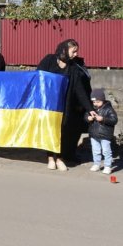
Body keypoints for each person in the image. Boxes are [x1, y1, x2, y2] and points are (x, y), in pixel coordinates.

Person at [37, 39, 94, 171]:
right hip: (48, 107)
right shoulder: (49, 60)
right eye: (73, 51)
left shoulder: (73, 67)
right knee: (50, 131)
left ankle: (60, 158)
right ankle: (50, 157)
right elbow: (37, 77)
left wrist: (89, 109)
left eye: (76, 52)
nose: (76, 54)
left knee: (63, 133)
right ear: (64, 49)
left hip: (65, 107)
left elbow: (80, 90)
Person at [85, 89, 118, 175]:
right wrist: (88, 118)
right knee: (96, 150)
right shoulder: (92, 109)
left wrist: (103, 119)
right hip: (94, 134)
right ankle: (97, 164)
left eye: (98, 102)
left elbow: (114, 120)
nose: (95, 104)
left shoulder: (109, 109)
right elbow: (86, 115)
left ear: (103, 100)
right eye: (94, 102)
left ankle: (107, 166)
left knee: (106, 151)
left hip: (105, 135)